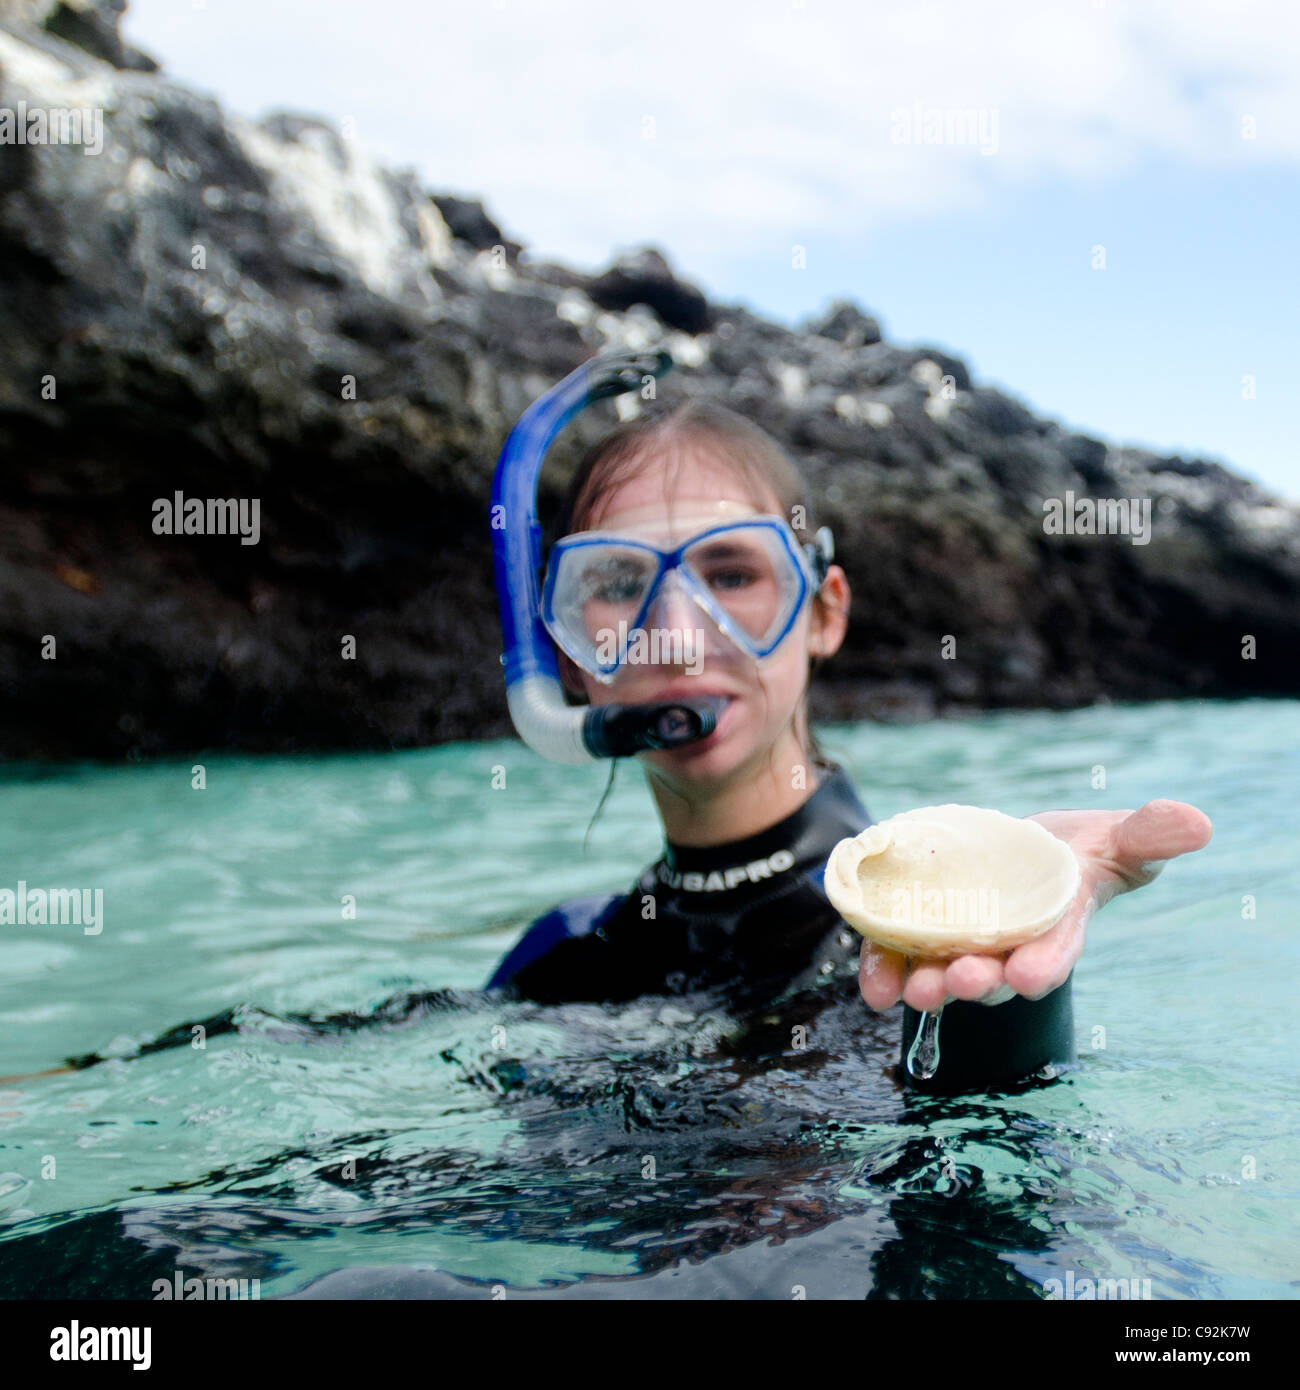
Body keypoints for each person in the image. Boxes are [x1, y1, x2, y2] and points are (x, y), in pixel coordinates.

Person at [485, 391, 1213, 1092]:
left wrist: (1009, 964)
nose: (677, 638)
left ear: (823, 614)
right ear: (571, 656)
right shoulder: (558, 959)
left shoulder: (910, 934)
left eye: (732, 574)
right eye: (618, 582)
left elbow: (988, 1197)